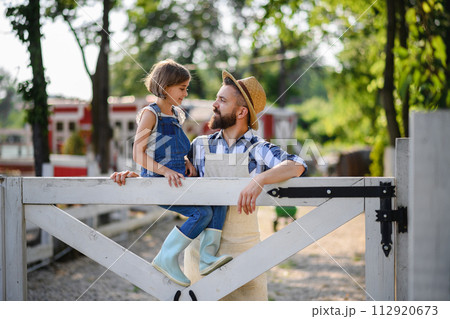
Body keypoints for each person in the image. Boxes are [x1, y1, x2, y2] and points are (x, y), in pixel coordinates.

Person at [111, 70, 307, 300]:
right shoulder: (200, 146)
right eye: (217, 98)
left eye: (222, 100)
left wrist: (259, 179)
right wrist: (138, 177)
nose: (214, 104)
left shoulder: (259, 149)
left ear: (242, 111)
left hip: (244, 259)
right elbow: (172, 176)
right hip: (198, 264)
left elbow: (297, 164)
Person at [123, 59, 231, 287]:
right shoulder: (150, 114)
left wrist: (185, 161)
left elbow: (170, 147)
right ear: (165, 86)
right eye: (181, 88)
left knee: (219, 201)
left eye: (186, 88)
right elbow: (138, 154)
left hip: (177, 181)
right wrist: (165, 171)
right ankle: (166, 257)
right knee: (201, 214)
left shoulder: (176, 115)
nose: (185, 92)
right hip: (159, 183)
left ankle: (207, 258)